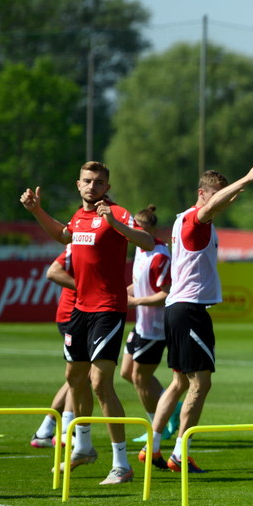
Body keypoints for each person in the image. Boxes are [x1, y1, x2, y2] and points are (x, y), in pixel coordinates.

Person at [20, 161, 155, 485]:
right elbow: (63, 235)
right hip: (79, 309)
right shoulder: (79, 217)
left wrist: (117, 224)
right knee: (74, 378)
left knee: (100, 382)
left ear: (107, 187)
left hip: (108, 309)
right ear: (78, 184)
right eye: (87, 181)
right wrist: (37, 211)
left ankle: (121, 465)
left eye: (99, 182)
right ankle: (82, 446)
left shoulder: (116, 212)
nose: (92, 186)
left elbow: (147, 242)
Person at [139, 160, 253, 473]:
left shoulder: (193, 220)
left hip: (180, 308)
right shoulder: (196, 220)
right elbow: (212, 206)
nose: (224, 200)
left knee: (178, 384)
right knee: (200, 385)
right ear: (202, 194)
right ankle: (178, 452)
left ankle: (153, 446)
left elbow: (216, 204)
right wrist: (247, 179)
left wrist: (229, 194)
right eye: (217, 194)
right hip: (189, 310)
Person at [120, 205, 181, 447]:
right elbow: (141, 283)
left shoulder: (160, 256)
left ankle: (157, 426)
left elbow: (166, 293)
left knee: (139, 377)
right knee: (127, 373)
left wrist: (136, 301)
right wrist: (123, 293)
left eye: (140, 230)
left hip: (155, 328)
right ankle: (171, 404)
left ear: (151, 231)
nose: (135, 234)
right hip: (141, 325)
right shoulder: (140, 251)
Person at [30, 248, 77, 449]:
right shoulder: (78, 244)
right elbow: (53, 272)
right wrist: (86, 288)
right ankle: (64, 431)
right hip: (73, 315)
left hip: (77, 315)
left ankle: (45, 430)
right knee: (81, 375)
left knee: (79, 375)